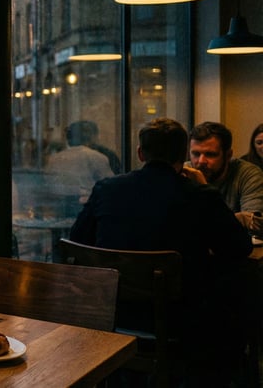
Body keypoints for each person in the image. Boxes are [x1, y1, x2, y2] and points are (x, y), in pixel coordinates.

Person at [70, 118, 255, 385]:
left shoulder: (106, 189)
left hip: (112, 314)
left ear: (140, 153)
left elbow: (78, 241)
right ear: (184, 156)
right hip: (182, 321)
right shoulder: (200, 195)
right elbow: (240, 248)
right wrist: (204, 186)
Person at [188, 121, 263, 234]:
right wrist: (240, 218)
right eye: (196, 154)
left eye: (210, 154)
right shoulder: (183, 172)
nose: (201, 161)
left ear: (228, 155)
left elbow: (255, 224)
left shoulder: (247, 174)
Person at [44, 121, 112, 218]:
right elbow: (109, 185)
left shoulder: (54, 158)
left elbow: (48, 182)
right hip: (86, 209)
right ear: (92, 136)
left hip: (59, 210)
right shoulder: (96, 157)